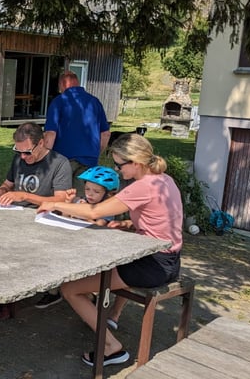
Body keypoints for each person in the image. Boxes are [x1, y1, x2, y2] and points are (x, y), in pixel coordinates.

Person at [37, 133, 183, 367]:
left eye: (119, 165)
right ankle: (106, 315)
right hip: (170, 259)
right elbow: (162, 219)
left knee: (70, 289)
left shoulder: (142, 186)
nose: (117, 169)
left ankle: (111, 346)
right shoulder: (164, 180)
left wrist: (54, 204)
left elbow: (95, 211)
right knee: (92, 271)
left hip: (152, 265)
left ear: (136, 162)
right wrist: (128, 223)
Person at [0, 122, 72, 317]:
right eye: (18, 151)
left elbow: (61, 200)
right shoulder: (19, 159)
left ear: (41, 143)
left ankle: (13, 295)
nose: (23, 157)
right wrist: (2, 190)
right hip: (15, 215)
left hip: (42, 218)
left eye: (27, 152)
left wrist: (24, 196)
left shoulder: (59, 163)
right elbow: (8, 184)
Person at [35, 166, 121, 311]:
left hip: (92, 248)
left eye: (96, 191)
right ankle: (53, 291)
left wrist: (83, 213)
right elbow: (66, 218)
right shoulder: (80, 202)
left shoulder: (106, 208)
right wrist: (69, 204)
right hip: (73, 243)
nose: (90, 194)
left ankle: (89, 297)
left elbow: (99, 225)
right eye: (87, 189)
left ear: (107, 194)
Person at [43, 71, 111, 194]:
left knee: (61, 195)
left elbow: (50, 134)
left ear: (62, 84)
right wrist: (96, 152)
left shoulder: (59, 102)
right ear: (78, 83)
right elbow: (105, 134)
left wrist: (45, 157)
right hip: (90, 158)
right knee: (82, 196)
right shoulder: (94, 102)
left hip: (63, 158)